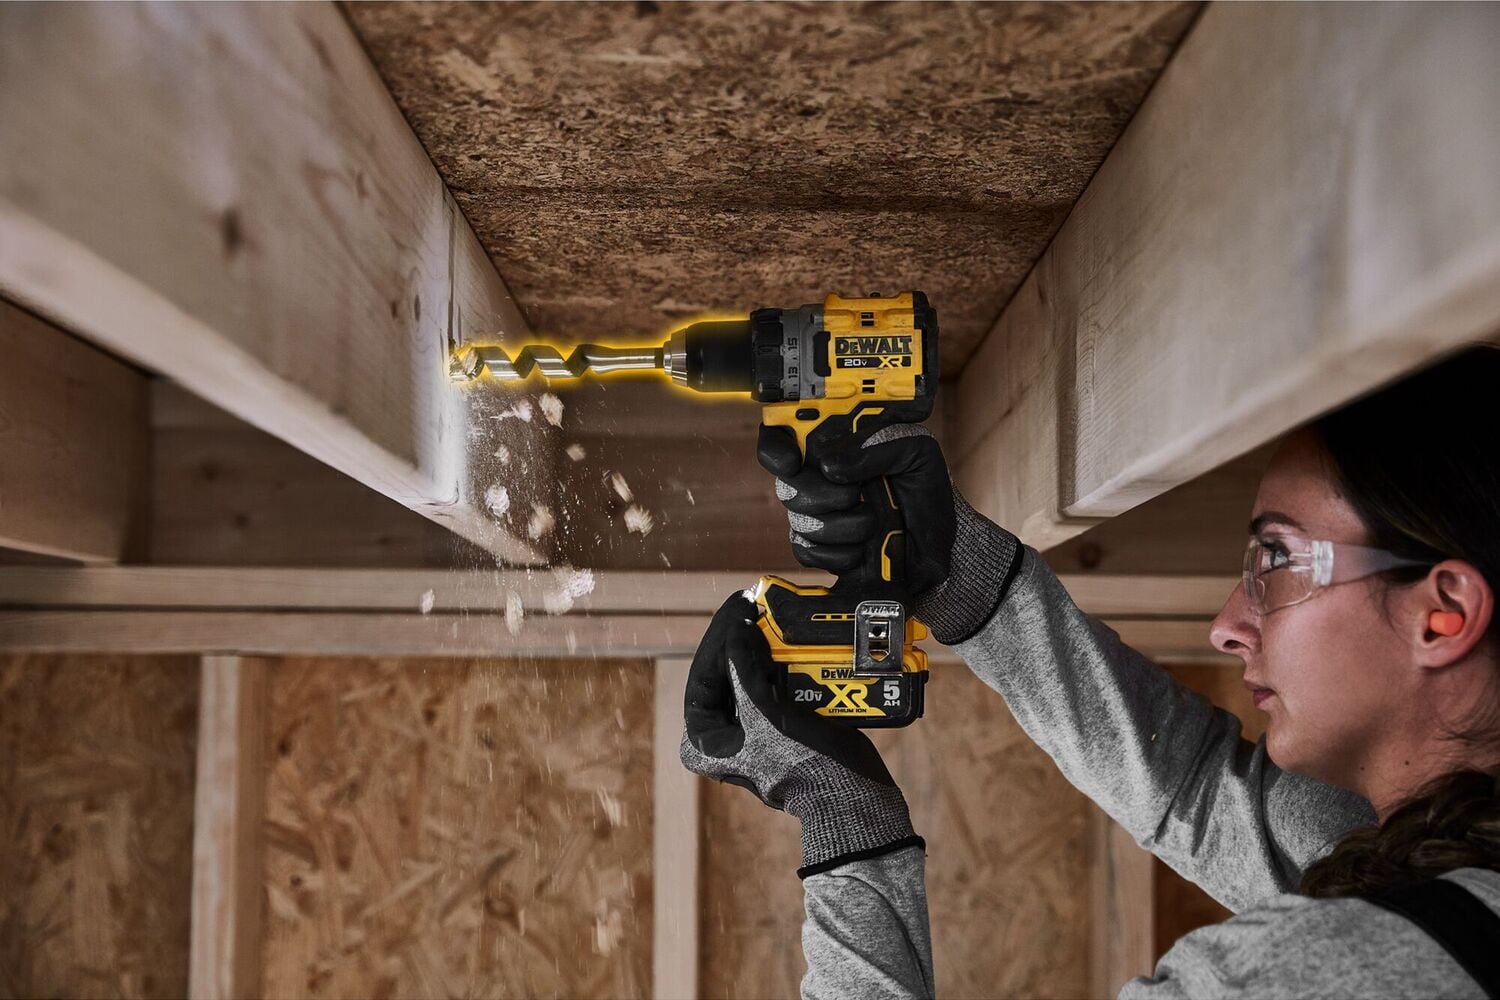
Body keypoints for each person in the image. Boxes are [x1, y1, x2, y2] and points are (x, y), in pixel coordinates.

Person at [680, 347, 1500, 998]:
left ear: (1444, 614)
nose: (1226, 625)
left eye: (1276, 558)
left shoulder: (1315, 975)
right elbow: (1195, 796)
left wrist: (847, 834)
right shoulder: (1445, 866)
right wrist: (963, 579)